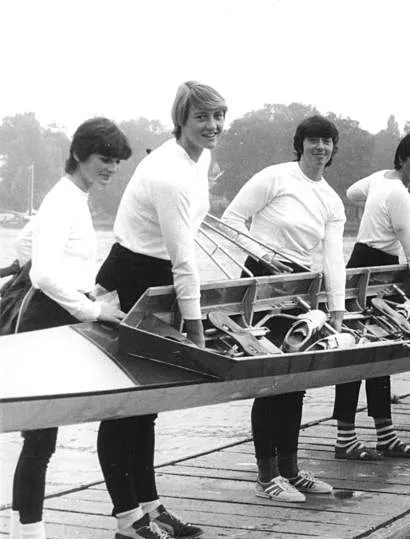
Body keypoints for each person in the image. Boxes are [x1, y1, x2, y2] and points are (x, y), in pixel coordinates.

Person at [94, 81, 226, 539]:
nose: (213, 126)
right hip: (131, 279)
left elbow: (184, 246)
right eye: (202, 117)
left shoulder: (198, 158)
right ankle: (127, 519)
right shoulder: (169, 173)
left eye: (218, 116)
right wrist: (197, 332)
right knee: (125, 402)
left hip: (158, 277)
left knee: (148, 403)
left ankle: (150, 506)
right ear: (181, 120)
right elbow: (183, 258)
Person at [9, 118, 131, 539]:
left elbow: (25, 245)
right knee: (40, 438)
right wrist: (92, 309)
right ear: (79, 154)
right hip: (46, 321)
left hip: (57, 314)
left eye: (116, 161)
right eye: (104, 158)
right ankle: (30, 532)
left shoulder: (72, 196)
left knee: (41, 437)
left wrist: (80, 291)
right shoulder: (64, 199)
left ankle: (24, 529)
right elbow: (42, 274)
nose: (110, 168)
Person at [221, 115, 343, 502]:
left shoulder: (331, 199)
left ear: (333, 148)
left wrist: (337, 308)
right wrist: (264, 256)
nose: (320, 147)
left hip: (302, 287)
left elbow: (333, 256)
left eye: (327, 141)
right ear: (300, 144)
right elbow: (230, 220)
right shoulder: (275, 177)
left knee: (295, 381)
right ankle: (266, 477)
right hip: (261, 282)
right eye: (313, 140)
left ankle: (290, 470)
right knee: (272, 379)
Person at [332, 133, 410, 460]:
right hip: (374, 269)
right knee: (357, 354)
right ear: (402, 158)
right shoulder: (400, 194)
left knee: (379, 351)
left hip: (362, 266)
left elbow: (352, 192)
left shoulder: (380, 179)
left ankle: (385, 436)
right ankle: (345, 440)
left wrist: (375, 208)